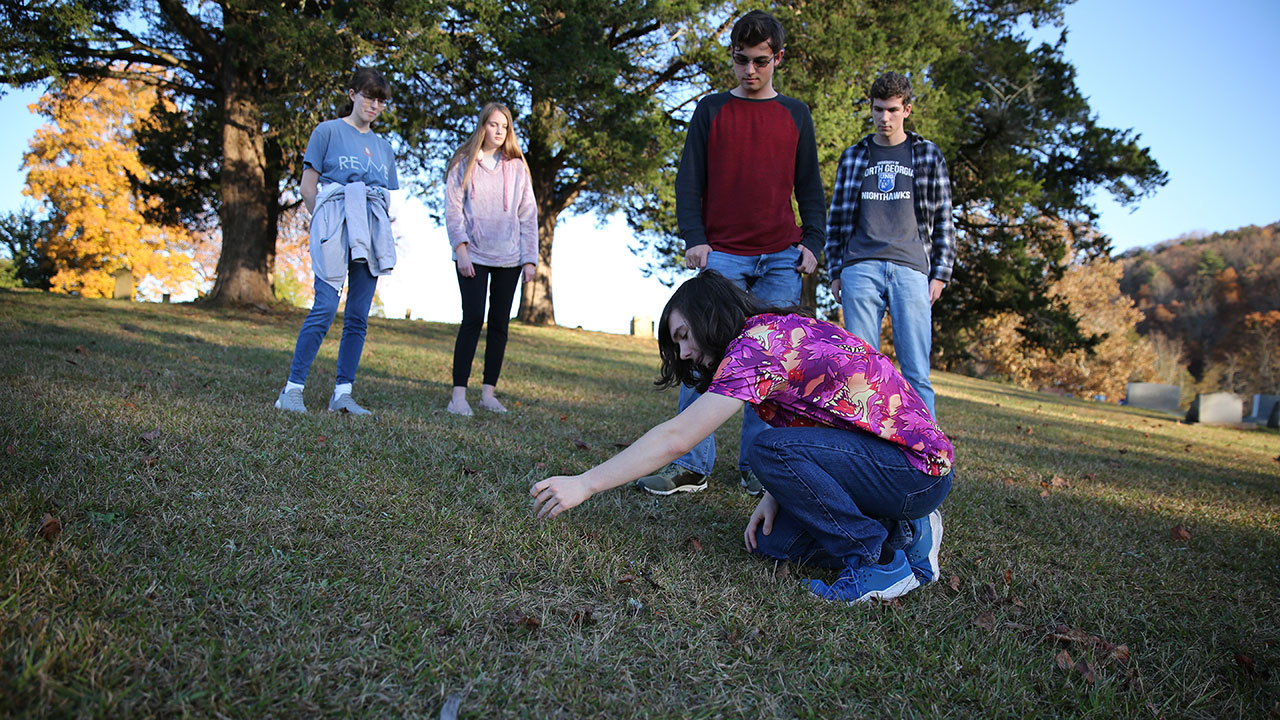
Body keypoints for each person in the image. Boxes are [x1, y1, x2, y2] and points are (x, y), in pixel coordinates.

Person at [531, 271, 953, 603]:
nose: (684, 354)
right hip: (886, 469)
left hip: (914, 469)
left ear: (708, 315)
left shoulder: (755, 346)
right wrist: (780, 494)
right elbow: (824, 425)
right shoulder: (767, 336)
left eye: (683, 336)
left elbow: (677, 438)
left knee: (764, 450)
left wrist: (585, 483)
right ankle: (905, 530)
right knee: (772, 543)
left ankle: (875, 562)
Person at [636, 9, 827, 497]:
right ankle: (690, 465)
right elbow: (689, 180)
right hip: (721, 256)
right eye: (741, 60)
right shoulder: (711, 110)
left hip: (781, 256)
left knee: (769, 365)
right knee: (700, 355)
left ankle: (759, 468)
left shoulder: (795, 114)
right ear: (732, 57)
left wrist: (813, 243)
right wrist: (694, 235)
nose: (750, 70)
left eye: (761, 61)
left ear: (777, 58)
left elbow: (809, 185)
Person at [824, 72, 955, 419]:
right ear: (870, 108)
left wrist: (940, 274)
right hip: (860, 267)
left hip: (911, 268)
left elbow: (943, 217)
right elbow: (836, 218)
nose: (885, 118)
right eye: (879, 109)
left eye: (893, 110)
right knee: (860, 371)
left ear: (907, 110)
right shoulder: (854, 156)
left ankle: (927, 455)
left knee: (916, 373)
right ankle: (864, 449)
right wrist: (835, 271)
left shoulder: (926, 155)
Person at [275, 67, 399, 416]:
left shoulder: (384, 148)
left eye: (380, 101)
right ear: (352, 94)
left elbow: (385, 196)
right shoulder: (327, 131)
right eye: (369, 97)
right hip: (334, 222)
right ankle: (292, 389)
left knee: (358, 314)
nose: (374, 105)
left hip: (370, 228)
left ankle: (342, 394)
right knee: (326, 306)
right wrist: (323, 226)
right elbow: (307, 185)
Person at [443, 102, 537, 416]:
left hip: (509, 258)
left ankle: (488, 394)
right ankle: (458, 397)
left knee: (499, 326)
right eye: (493, 125)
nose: (498, 131)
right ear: (483, 125)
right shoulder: (463, 163)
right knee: (472, 321)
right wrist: (461, 249)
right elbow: (453, 210)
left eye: (504, 126)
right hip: (474, 255)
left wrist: (529, 259)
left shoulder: (517, 167)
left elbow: (528, 213)